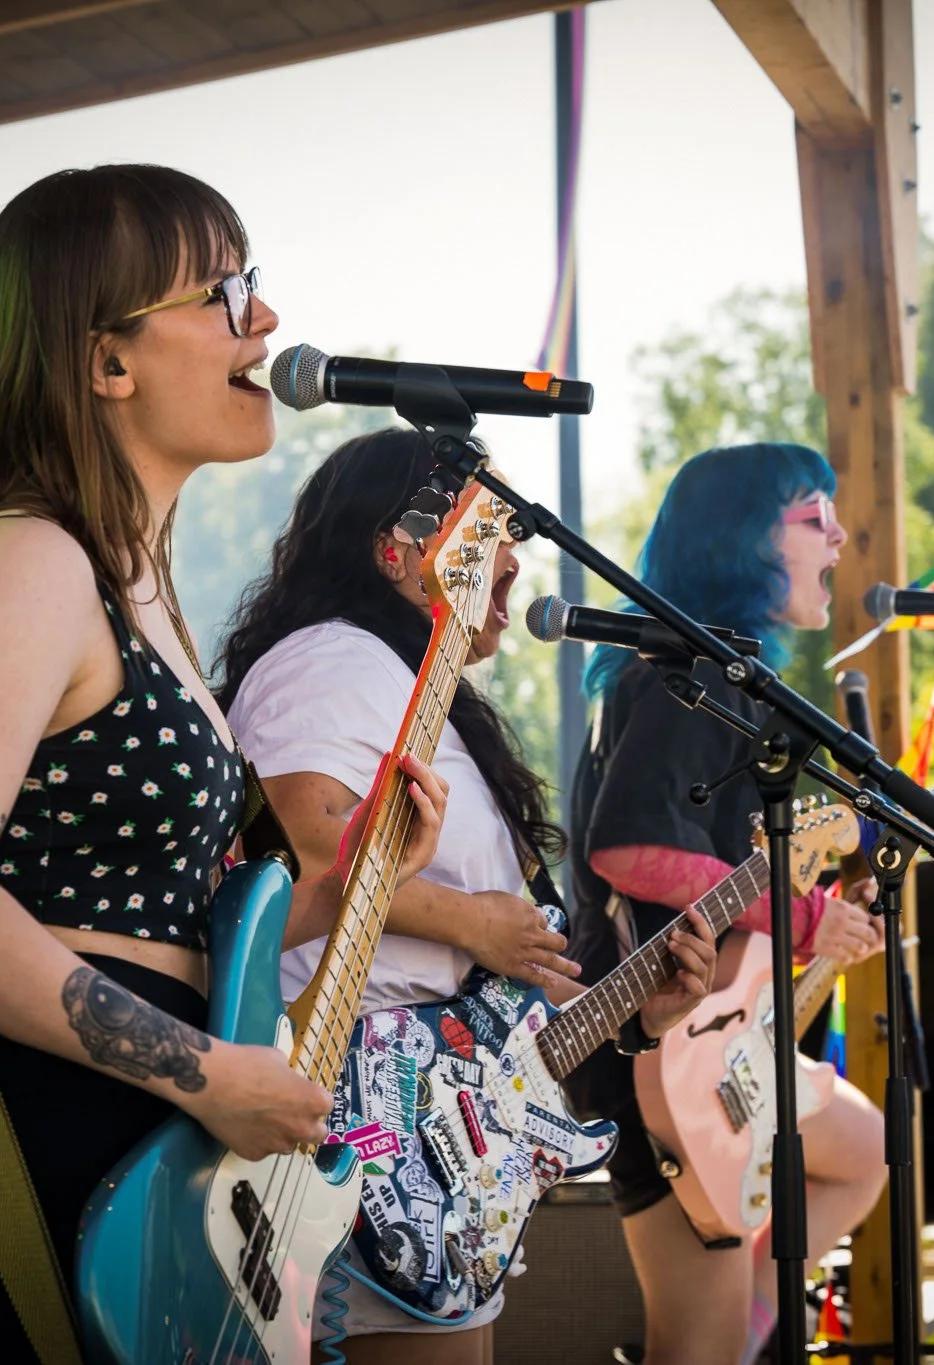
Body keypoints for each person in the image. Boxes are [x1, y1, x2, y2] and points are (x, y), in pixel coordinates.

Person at [0, 165, 450, 1360]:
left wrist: (350, 892)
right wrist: (202, 1074)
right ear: (105, 362)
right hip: (68, 1159)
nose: (266, 322)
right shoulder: (27, 559)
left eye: (258, 287)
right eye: (223, 293)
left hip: (161, 1152)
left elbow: (152, 916)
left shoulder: (135, 590)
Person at [217, 427, 718, 1364]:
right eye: (489, 531)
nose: (515, 559)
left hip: (431, 1118)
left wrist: (636, 1010)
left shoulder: (404, 679)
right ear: (398, 549)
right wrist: (472, 922)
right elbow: (296, 850)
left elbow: (494, 986)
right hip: (362, 1100)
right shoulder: (333, 658)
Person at [566, 442, 890, 1365]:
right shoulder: (687, 678)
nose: (837, 535)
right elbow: (628, 849)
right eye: (812, 515)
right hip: (656, 1050)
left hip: (706, 1039)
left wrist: (826, 906)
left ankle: (745, 1324)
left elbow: (721, 869)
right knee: (695, 1347)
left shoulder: (719, 679)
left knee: (863, 1147)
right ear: (741, 538)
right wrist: (802, 921)